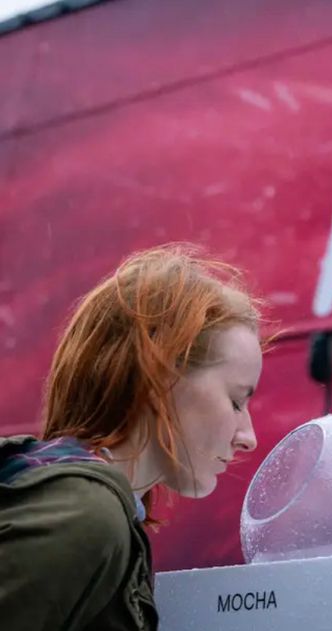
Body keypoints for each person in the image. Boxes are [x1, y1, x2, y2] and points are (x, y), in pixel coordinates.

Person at [0, 245, 264, 630]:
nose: (248, 438)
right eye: (237, 400)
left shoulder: (86, 507)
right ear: (161, 376)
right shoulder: (87, 516)